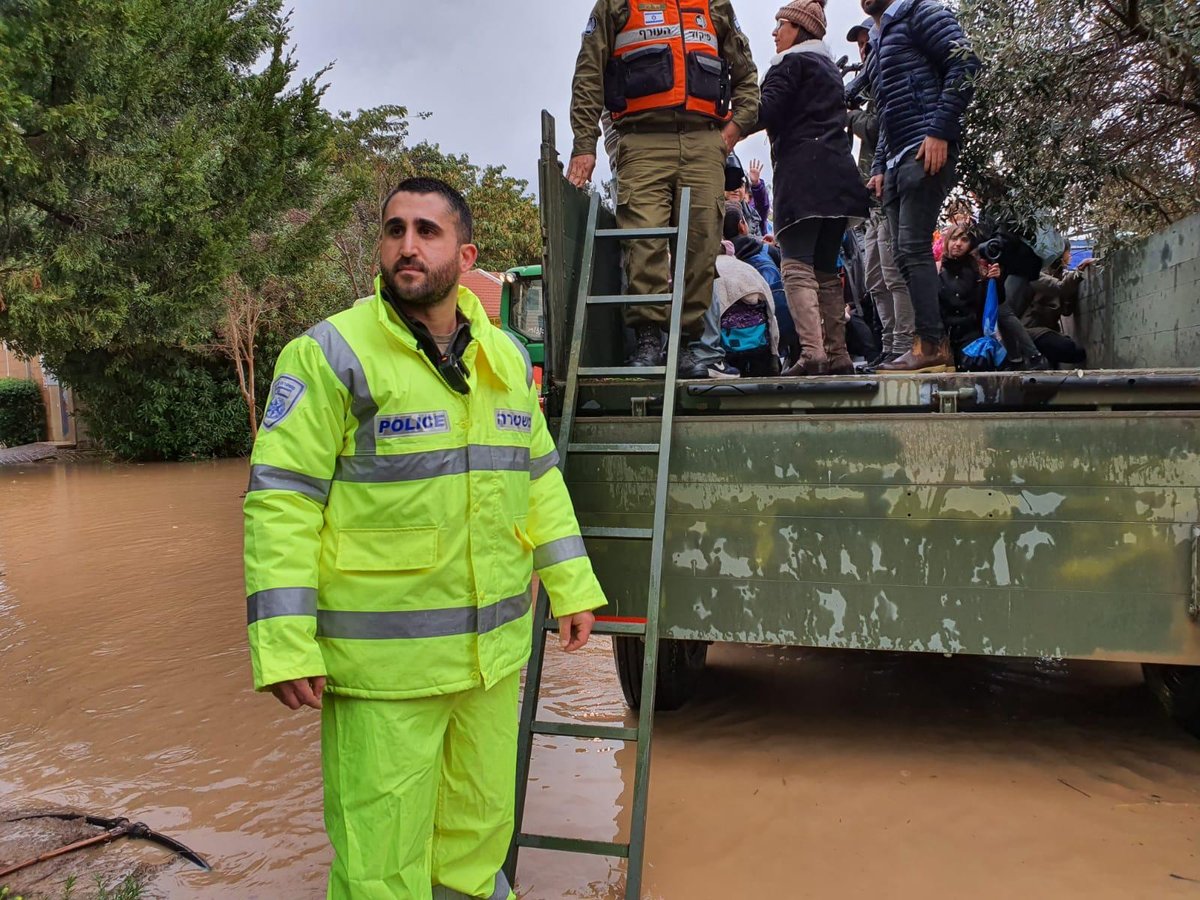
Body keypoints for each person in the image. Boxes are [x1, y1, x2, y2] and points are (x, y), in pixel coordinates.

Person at [243, 177, 607, 899]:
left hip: (490, 663)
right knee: (382, 860)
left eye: (427, 231)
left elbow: (537, 477)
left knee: (477, 836)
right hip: (385, 675)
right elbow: (282, 502)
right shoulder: (329, 356)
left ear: (465, 254)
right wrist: (284, 644)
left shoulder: (503, 356)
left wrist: (571, 587)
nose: (407, 245)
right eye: (394, 229)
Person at [569, 1, 759, 378]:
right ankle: (648, 340)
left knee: (702, 245)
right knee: (643, 241)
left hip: (705, 140)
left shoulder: (714, 5)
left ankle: (689, 344)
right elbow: (589, 71)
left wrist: (731, 133)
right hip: (641, 141)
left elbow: (746, 76)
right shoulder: (616, 4)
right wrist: (584, 145)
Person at [753, 0, 870, 376]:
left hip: (803, 176)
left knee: (795, 265)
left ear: (799, 30)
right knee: (825, 268)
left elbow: (765, 110)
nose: (775, 32)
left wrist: (728, 123)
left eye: (781, 25)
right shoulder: (829, 70)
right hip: (840, 178)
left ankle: (812, 353)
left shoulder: (789, 64)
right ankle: (839, 354)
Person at [863, 0, 980, 373]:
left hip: (924, 149)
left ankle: (930, 344)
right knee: (902, 254)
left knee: (912, 248)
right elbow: (886, 113)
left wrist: (940, 130)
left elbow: (965, 64)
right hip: (898, 160)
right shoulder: (881, 37)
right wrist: (880, 164)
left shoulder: (921, 12)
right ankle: (926, 343)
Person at [845, 17, 914, 369]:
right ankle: (890, 347)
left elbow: (876, 128)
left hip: (889, 194)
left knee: (893, 276)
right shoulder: (869, 88)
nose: (863, 50)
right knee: (874, 279)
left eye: (866, 43)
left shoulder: (886, 85)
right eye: (859, 44)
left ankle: (904, 345)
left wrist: (850, 115)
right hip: (870, 202)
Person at [724, 200, 796, 361]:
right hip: (778, 333)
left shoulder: (717, 261)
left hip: (732, 340)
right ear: (742, 225)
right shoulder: (766, 251)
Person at [1022, 247, 1096, 366]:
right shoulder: (1037, 275)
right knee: (1070, 349)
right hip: (1030, 331)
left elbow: (1067, 311)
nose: (1070, 256)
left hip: (1048, 332)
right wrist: (1079, 271)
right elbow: (1061, 287)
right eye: (1068, 253)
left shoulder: (1060, 275)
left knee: (1077, 353)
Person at [937, 224, 990, 369]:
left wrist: (995, 282)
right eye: (954, 239)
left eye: (964, 240)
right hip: (943, 337)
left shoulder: (978, 272)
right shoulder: (937, 270)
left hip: (970, 336)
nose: (958, 244)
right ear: (947, 241)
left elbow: (992, 305)